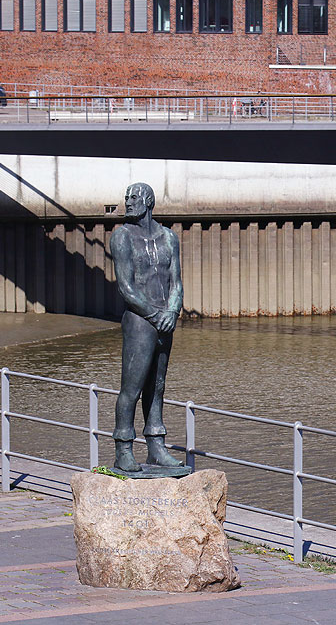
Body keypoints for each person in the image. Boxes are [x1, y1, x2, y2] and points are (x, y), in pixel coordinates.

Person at [109, 182, 184, 473]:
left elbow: (176, 281)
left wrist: (173, 311)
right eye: (126, 197)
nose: (127, 202)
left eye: (134, 197)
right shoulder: (122, 237)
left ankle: (156, 445)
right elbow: (126, 288)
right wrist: (156, 314)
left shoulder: (169, 238)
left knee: (158, 387)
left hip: (165, 319)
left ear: (148, 201)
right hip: (140, 320)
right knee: (132, 387)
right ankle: (123, 448)